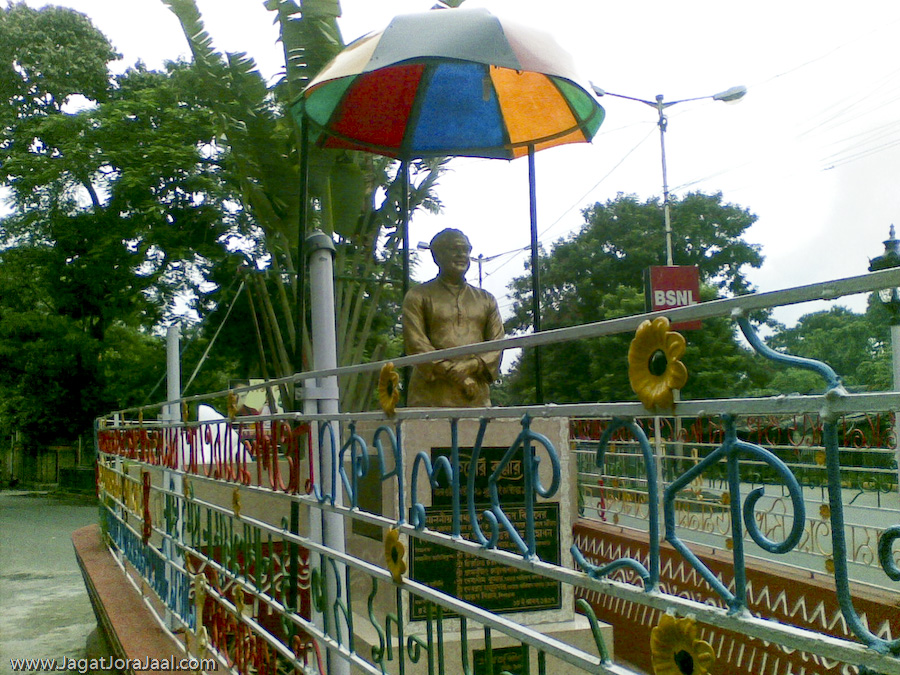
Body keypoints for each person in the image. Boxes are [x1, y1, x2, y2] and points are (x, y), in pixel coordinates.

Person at [402, 228, 504, 407]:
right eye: (455, 249)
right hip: (430, 398)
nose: (462, 255)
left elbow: (497, 344)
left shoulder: (486, 299)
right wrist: (456, 374)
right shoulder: (418, 296)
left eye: (466, 250)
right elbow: (416, 344)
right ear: (438, 255)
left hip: (475, 397)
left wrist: (471, 365)